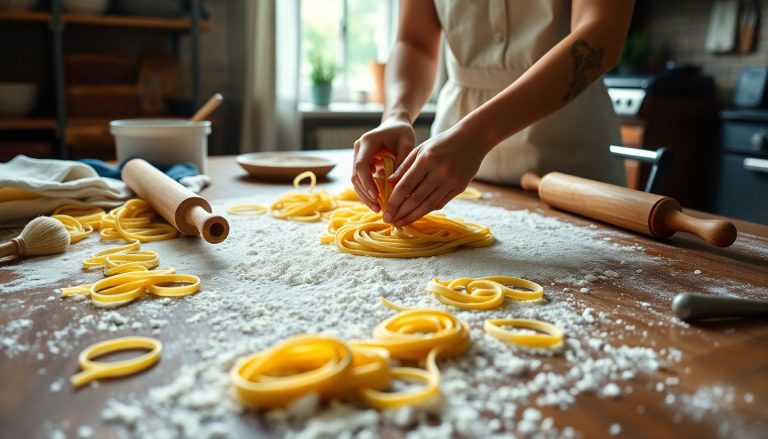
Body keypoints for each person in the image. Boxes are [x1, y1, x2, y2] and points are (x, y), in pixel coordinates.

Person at [352, 0, 634, 227]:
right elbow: (414, 41)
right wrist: (396, 114)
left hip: (569, 153)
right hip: (453, 160)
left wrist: (477, 135)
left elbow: (601, 34)